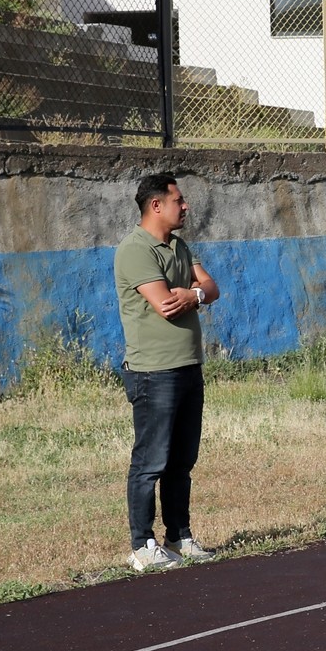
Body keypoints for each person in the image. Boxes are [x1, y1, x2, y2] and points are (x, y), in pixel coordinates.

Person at [113, 173, 220, 571]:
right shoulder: (135, 250)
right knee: (150, 461)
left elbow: (211, 288)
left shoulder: (179, 245)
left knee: (182, 461)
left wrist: (191, 292)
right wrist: (193, 294)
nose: (186, 206)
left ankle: (178, 536)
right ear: (156, 205)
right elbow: (165, 305)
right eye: (179, 200)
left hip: (189, 367)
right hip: (153, 373)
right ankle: (142, 545)